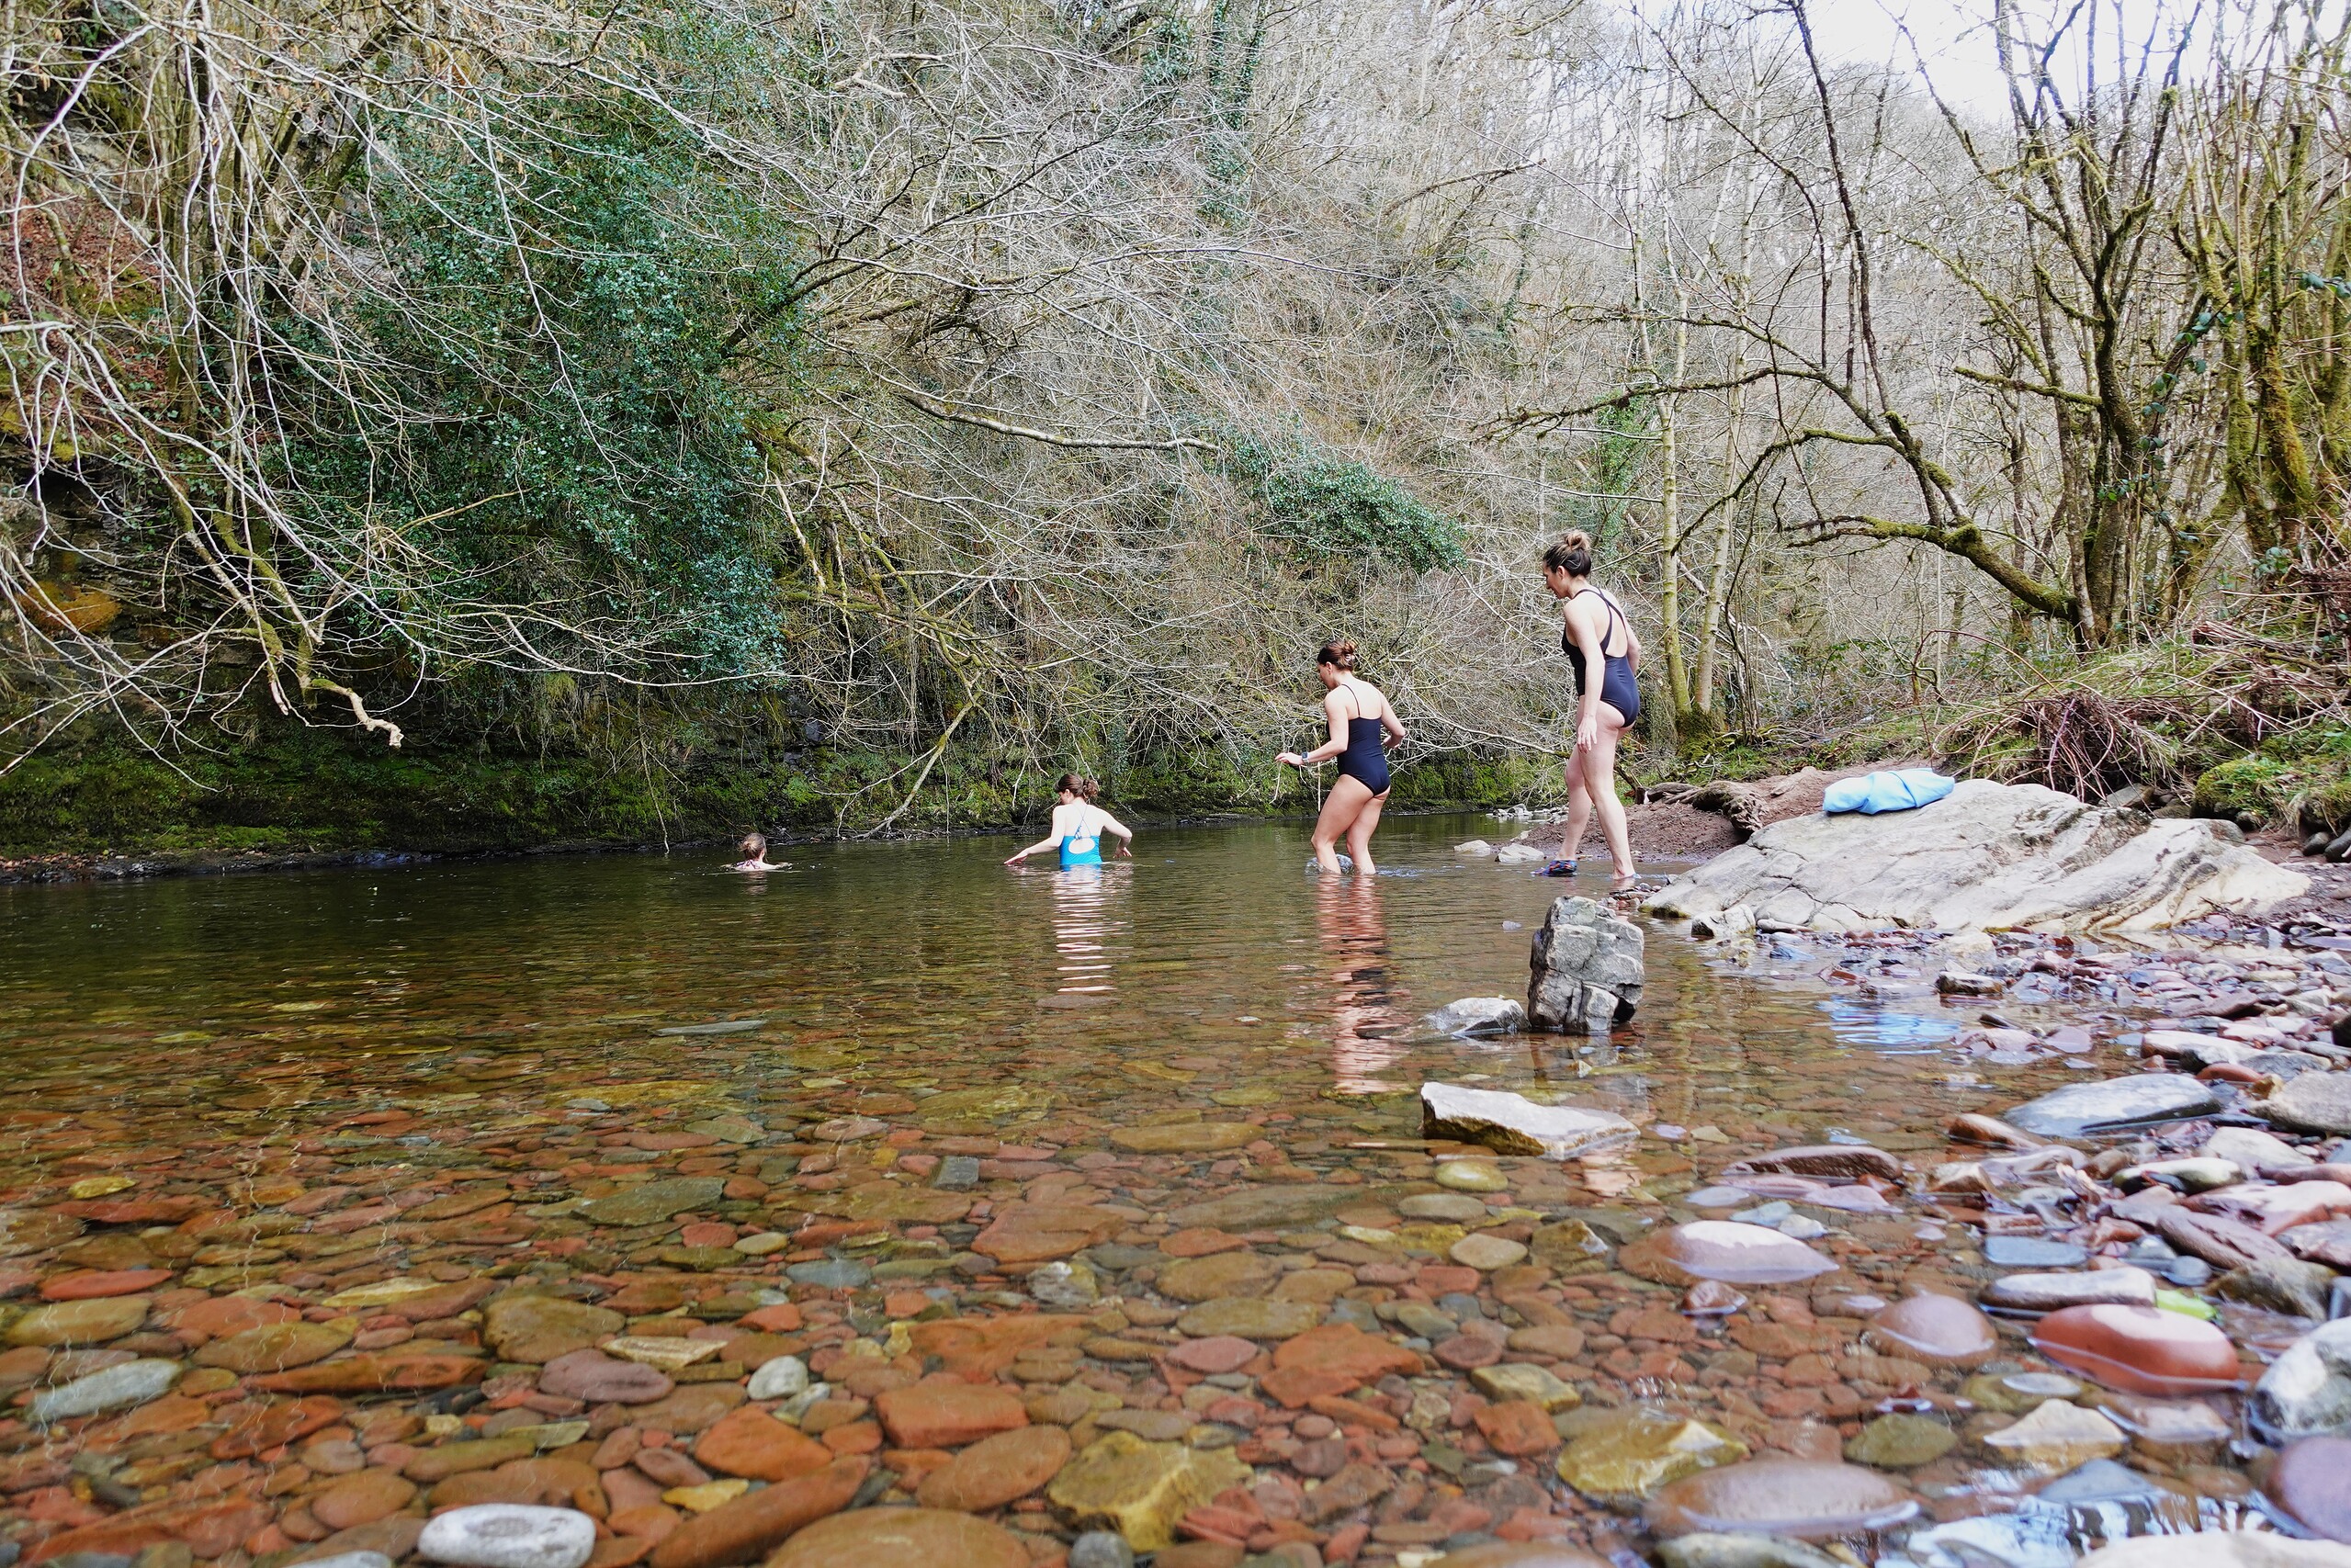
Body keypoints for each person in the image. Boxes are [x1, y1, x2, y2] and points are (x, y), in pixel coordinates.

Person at [1541, 530, 1641, 889]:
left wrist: (1588, 717)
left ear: (1561, 572)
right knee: (1576, 777)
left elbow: (1595, 661)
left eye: (1547, 577)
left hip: (1602, 702)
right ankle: (1566, 857)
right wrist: (1626, 688)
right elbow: (1634, 648)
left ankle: (1624, 871)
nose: (1548, 585)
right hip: (1626, 695)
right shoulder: (1606, 597)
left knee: (1601, 788)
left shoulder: (1576, 606)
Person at [1277, 641, 1408, 875]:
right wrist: (1390, 744)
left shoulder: (1336, 698)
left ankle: (1331, 907)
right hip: (1381, 779)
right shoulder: (1373, 691)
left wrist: (1302, 758)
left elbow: (1339, 744)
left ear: (1329, 666)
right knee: (1357, 846)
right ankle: (1365, 909)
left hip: (1357, 777)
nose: (1320, 678)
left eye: (1319, 671)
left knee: (1322, 842)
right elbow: (1399, 732)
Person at [1005, 773, 1135, 867]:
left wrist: (1027, 851)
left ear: (1067, 792)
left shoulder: (1061, 811)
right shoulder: (1100, 814)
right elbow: (1127, 835)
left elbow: (1055, 842)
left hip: (1069, 879)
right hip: (1095, 880)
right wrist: (1120, 847)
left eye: (1060, 795)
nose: (1060, 799)